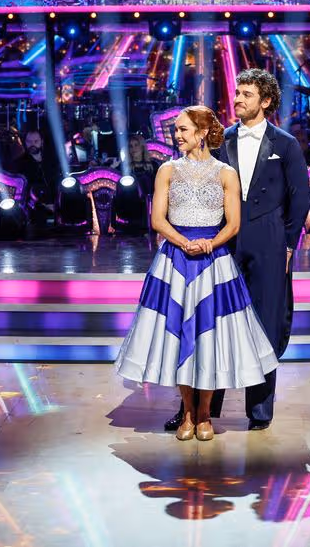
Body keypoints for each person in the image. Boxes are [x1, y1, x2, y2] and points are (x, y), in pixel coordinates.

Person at [115, 106, 278, 441]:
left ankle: (205, 414)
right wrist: (183, 243)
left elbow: (233, 224)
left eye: (183, 129)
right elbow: (157, 220)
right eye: (176, 130)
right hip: (175, 259)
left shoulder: (226, 173)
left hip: (213, 261)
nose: (176, 135)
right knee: (178, 334)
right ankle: (187, 412)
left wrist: (209, 244)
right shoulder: (167, 170)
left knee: (209, 337)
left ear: (202, 132)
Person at [165, 69, 310, 432]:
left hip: (269, 240)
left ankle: (259, 411)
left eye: (247, 94)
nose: (238, 99)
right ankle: (198, 411)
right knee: (209, 320)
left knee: (265, 322)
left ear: (266, 101)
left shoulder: (285, 144)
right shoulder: (221, 139)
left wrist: (288, 244)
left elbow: (300, 197)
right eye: (238, 92)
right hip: (223, 239)